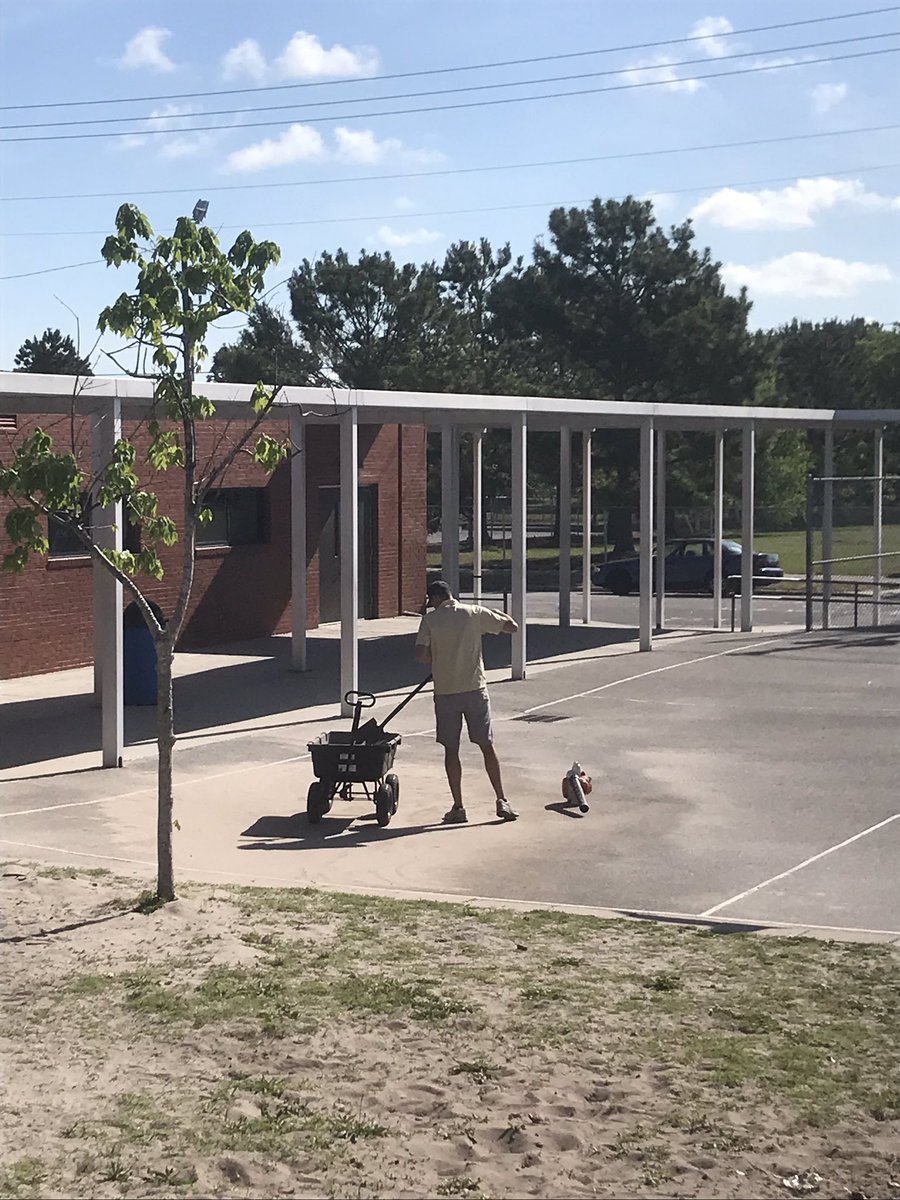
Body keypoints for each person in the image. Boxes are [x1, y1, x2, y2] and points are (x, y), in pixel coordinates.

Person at [414, 579, 519, 825]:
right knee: (486, 744)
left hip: (446, 691)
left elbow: (420, 655)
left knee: (452, 749)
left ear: (436, 598)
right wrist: (496, 613)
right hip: (475, 689)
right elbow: (511, 627)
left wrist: (438, 659)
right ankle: (502, 799)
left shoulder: (430, 620)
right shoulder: (473, 612)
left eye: (430, 600)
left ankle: (459, 806)